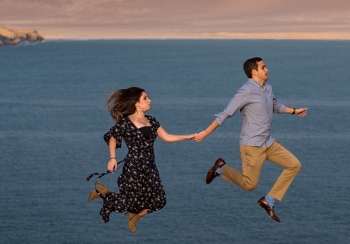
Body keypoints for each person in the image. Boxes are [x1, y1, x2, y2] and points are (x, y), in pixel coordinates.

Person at [195, 57, 307, 222]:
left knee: (294, 165)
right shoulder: (245, 91)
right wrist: (205, 132)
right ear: (254, 71)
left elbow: (276, 107)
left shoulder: (267, 88)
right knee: (250, 185)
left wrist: (295, 111)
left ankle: (269, 200)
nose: (267, 70)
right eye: (263, 67)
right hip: (252, 145)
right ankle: (220, 169)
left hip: (268, 143)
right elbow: (225, 113)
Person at [89, 87, 197, 233]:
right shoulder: (126, 123)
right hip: (134, 166)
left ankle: (135, 217)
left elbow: (167, 137)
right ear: (136, 103)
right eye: (145, 98)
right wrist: (112, 158)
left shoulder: (152, 121)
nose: (149, 100)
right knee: (132, 201)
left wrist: (188, 137)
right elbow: (113, 137)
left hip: (150, 167)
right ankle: (103, 194)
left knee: (159, 200)